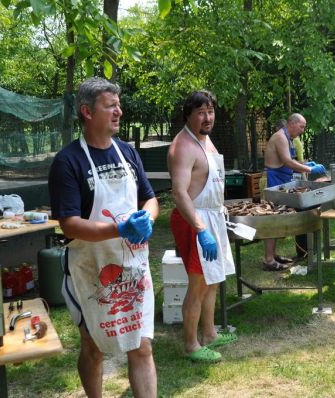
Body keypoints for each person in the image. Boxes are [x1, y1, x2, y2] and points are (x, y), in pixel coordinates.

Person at [48, 77, 158, 398]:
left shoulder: (127, 153)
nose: (118, 112)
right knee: (94, 347)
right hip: (90, 270)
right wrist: (120, 229)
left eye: (118, 105)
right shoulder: (68, 162)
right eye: (110, 106)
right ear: (86, 111)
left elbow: (149, 199)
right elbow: (69, 225)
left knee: (141, 346)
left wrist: (147, 218)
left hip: (133, 267)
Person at [168, 90, 237, 363]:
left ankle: (209, 334)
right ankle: (191, 345)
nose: (207, 117)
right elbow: (179, 193)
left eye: (210, 111)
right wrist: (200, 229)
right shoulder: (182, 146)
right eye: (201, 112)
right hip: (194, 220)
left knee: (213, 280)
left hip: (212, 216)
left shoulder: (205, 140)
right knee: (197, 285)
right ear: (188, 115)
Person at [262, 113, 326, 271]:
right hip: (275, 182)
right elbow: (287, 162)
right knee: (273, 221)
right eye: (301, 126)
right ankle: (269, 260)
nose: (303, 130)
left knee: (280, 220)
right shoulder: (280, 137)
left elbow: (289, 160)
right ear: (291, 123)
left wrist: (305, 163)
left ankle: (273, 255)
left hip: (284, 182)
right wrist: (310, 168)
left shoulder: (288, 138)